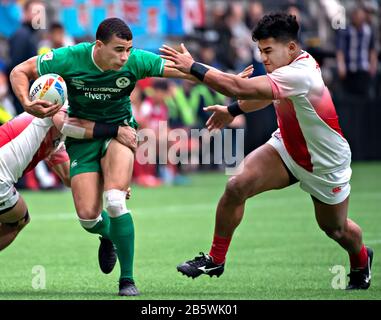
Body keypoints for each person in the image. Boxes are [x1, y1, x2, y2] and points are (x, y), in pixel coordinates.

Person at [160, 13, 373, 290]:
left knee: (335, 229)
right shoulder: (288, 67)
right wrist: (231, 110)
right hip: (286, 146)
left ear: (292, 48)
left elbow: (238, 86)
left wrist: (194, 67)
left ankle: (361, 259)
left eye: (268, 50)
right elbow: (261, 96)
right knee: (237, 185)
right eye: (260, 51)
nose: (264, 58)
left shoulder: (300, 74)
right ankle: (215, 258)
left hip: (324, 164)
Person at [9, 17, 199, 296]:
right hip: (81, 138)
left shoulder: (136, 61)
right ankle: (108, 236)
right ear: (99, 45)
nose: (125, 57)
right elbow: (19, 71)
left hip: (120, 133)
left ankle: (127, 279)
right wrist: (27, 103)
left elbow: (187, 73)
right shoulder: (70, 58)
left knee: (114, 200)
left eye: (129, 49)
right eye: (119, 49)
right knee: (88, 217)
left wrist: (224, 85)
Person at [0, 107, 135, 253]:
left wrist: (114, 184)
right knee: (18, 220)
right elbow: (68, 124)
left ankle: (108, 236)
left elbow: (68, 177)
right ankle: (111, 237)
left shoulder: (48, 130)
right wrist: (115, 131)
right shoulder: (60, 114)